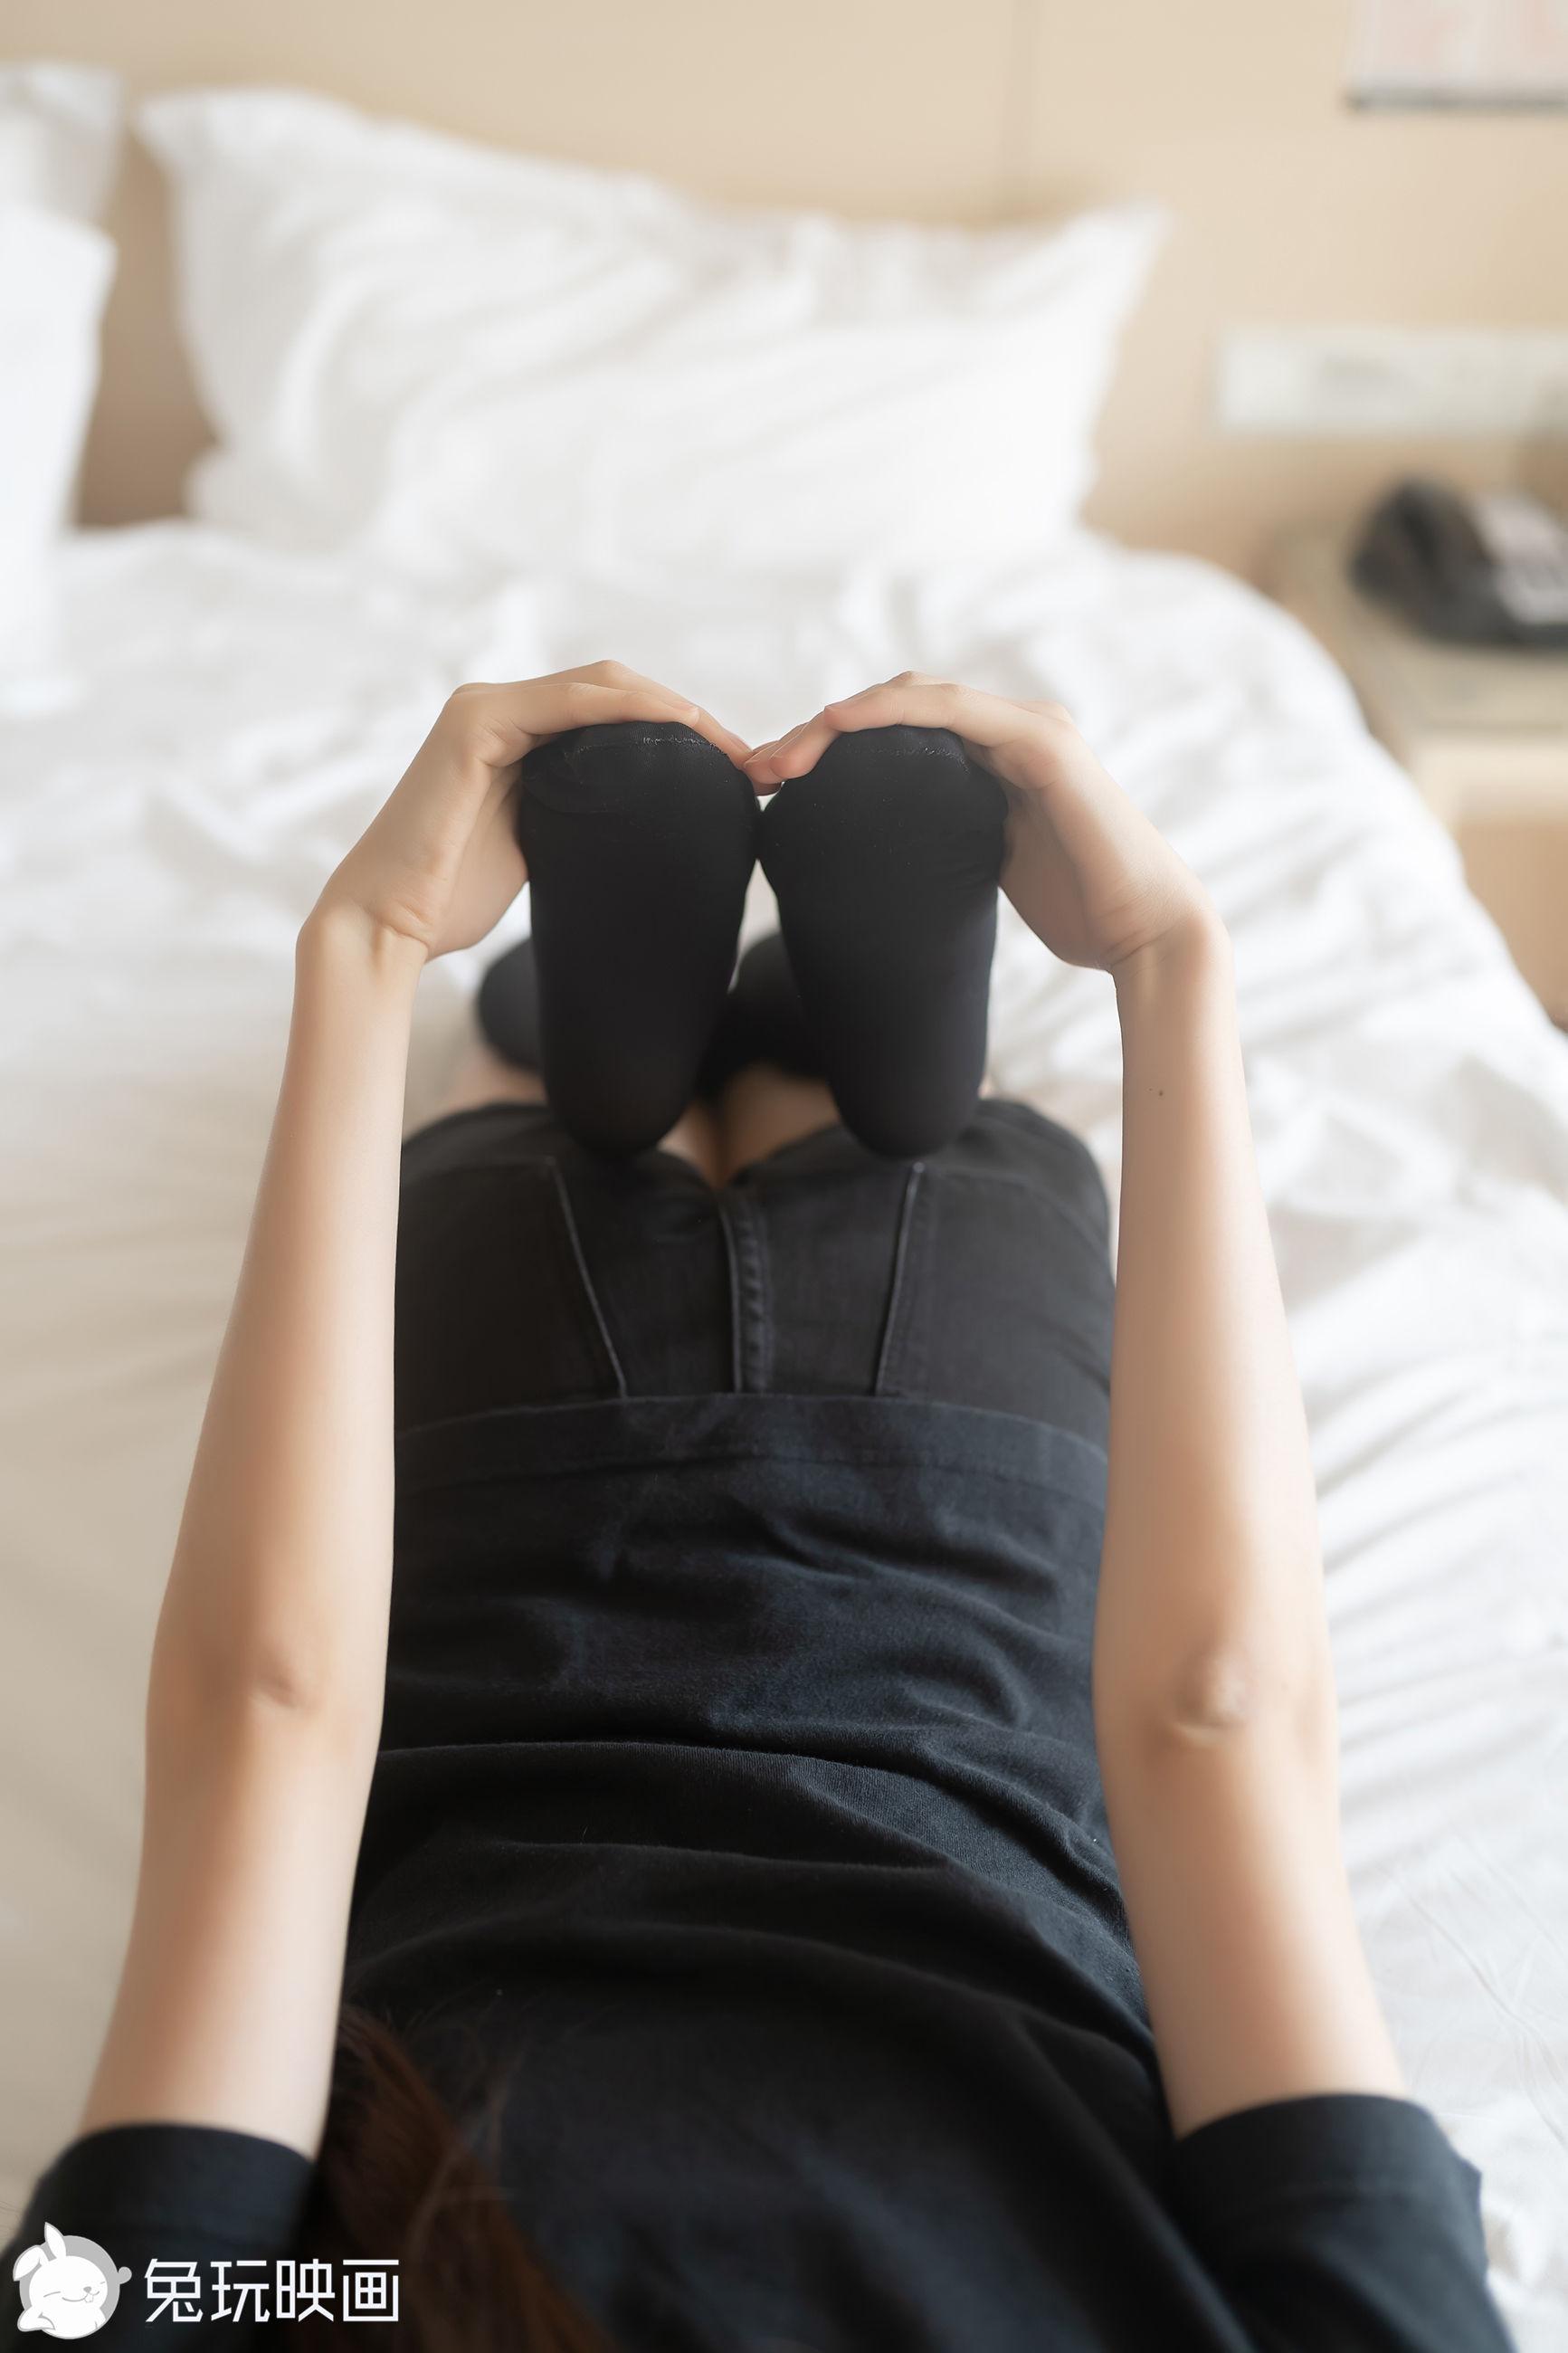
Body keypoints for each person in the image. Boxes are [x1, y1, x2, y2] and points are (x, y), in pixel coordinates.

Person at [1, 664, 1516, 2352]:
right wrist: (366, 953)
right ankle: (658, 1044)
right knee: (524, 1148)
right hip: (519, 1497)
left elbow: (1216, 1722)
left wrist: (1171, 959)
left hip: (948, 1490)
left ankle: (716, 1040)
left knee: (904, 1157)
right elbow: (264, 1719)